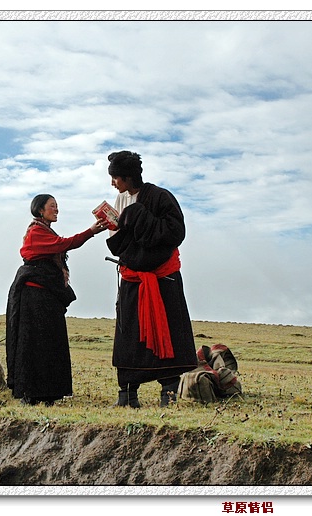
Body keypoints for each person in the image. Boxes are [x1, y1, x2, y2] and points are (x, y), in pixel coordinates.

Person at [105, 151, 198, 408]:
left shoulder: (161, 197)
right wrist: (114, 226)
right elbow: (122, 237)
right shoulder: (120, 199)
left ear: (128, 177)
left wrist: (138, 216)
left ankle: (168, 393)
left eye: (115, 178)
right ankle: (127, 396)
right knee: (128, 337)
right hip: (133, 277)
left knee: (168, 331)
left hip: (162, 277)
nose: (113, 183)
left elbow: (176, 232)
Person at [6, 194, 107, 406]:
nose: (56, 210)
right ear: (40, 210)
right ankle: (31, 393)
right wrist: (91, 232)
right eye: (52, 206)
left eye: (57, 206)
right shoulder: (36, 232)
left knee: (50, 343)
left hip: (46, 297)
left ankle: (49, 393)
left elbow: (61, 245)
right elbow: (64, 244)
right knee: (33, 345)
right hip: (34, 298)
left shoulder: (45, 231)